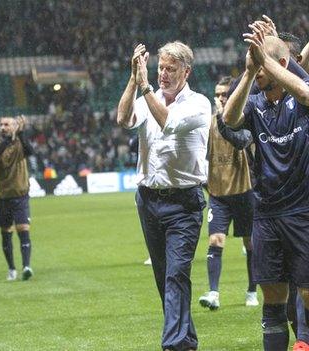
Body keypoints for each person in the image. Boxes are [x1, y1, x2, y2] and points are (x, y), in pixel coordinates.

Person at [116, 41, 210, 351]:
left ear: (187, 71)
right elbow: (123, 119)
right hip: (149, 200)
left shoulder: (199, 104)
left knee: (176, 274)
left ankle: (173, 345)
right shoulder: (146, 96)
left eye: (170, 69)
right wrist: (134, 79)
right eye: (160, 68)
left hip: (184, 203)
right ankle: (186, 340)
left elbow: (167, 122)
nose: (163, 74)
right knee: (164, 277)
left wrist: (144, 87)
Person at [223, 24, 309, 351]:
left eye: (262, 65)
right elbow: (229, 119)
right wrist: (248, 73)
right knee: (272, 295)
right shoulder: (255, 100)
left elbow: (304, 92)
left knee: (307, 291)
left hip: (303, 209)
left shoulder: (301, 96)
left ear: (280, 66)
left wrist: (268, 58)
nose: (258, 71)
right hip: (267, 213)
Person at [198, 76, 258, 310]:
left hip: (244, 192)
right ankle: (213, 293)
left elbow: (241, 142)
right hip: (219, 195)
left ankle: (252, 290)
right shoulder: (208, 124)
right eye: (218, 94)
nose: (221, 98)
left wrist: (225, 119)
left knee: (250, 244)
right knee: (216, 240)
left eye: (226, 94)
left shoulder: (244, 120)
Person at [0, 115, 34, 281]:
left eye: (7, 124)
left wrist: (20, 134)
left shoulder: (21, 143)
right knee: (6, 233)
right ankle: (11, 268)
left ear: (15, 126)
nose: (3, 127)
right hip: (1, 197)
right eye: (1, 124)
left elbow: (30, 151)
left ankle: (27, 266)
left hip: (20, 195)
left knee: (23, 229)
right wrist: (8, 139)